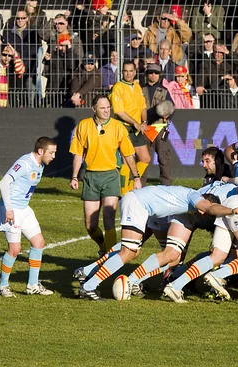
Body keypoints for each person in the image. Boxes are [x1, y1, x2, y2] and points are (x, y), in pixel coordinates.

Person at [77, 185, 238, 300]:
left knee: (162, 255)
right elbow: (209, 208)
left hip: (145, 207)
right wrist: (231, 211)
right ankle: (90, 286)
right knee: (128, 251)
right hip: (139, 204)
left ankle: (86, 271)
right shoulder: (195, 197)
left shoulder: (189, 199)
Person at [69, 95, 141, 257]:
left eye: (108, 107)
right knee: (90, 225)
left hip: (111, 176)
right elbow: (78, 154)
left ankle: (111, 259)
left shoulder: (117, 127)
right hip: (91, 178)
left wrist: (136, 177)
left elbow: (128, 154)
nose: (107, 110)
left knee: (109, 218)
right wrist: (74, 177)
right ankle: (104, 247)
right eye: (102, 108)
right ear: (94, 109)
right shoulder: (84, 125)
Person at [0, 137, 57, 297]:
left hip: (24, 208)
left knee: (38, 242)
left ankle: (32, 285)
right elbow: (3, 183)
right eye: (51, 153)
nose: (53, 156)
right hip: (12, 209)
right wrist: (8, 209)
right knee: (14, 249)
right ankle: (3, 286)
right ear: (41, 151)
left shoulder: (40, 165)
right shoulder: (24, 163)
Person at [109, 61, 149, 194]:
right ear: (122, 72)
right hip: (124, 127)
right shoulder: (118, 87)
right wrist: (135, 123)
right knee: (127, 161)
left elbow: (143, 107)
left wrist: (144, 121)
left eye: (131, 71)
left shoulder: (137, 87)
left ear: (135, 72)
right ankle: (123, 191)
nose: (128, 73)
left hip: (136, 128)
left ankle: (132, 186)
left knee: (145, 158)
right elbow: (119, 112)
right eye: (126, 71)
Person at [143, 62, 174, 185]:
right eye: (151, 72)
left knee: (163, 156)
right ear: (147, 74)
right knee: (142, 158)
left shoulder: (164, 91)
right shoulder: (140, 90)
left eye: (156, 73)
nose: (153, 75)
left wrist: (168, 115)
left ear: (159, 75)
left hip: (159, 127)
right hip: (144, 127)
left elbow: (171, 108)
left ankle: (166, 184)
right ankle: (139, 182)